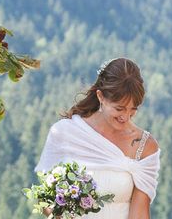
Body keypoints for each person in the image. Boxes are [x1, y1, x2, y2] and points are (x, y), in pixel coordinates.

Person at [36, 57, 160, 219]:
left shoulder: (144, 146)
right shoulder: (63, 132)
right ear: (101, 97)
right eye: (119, 109)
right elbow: (46, 202)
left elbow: (140, 214)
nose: (126, 117)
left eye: (132, 110)